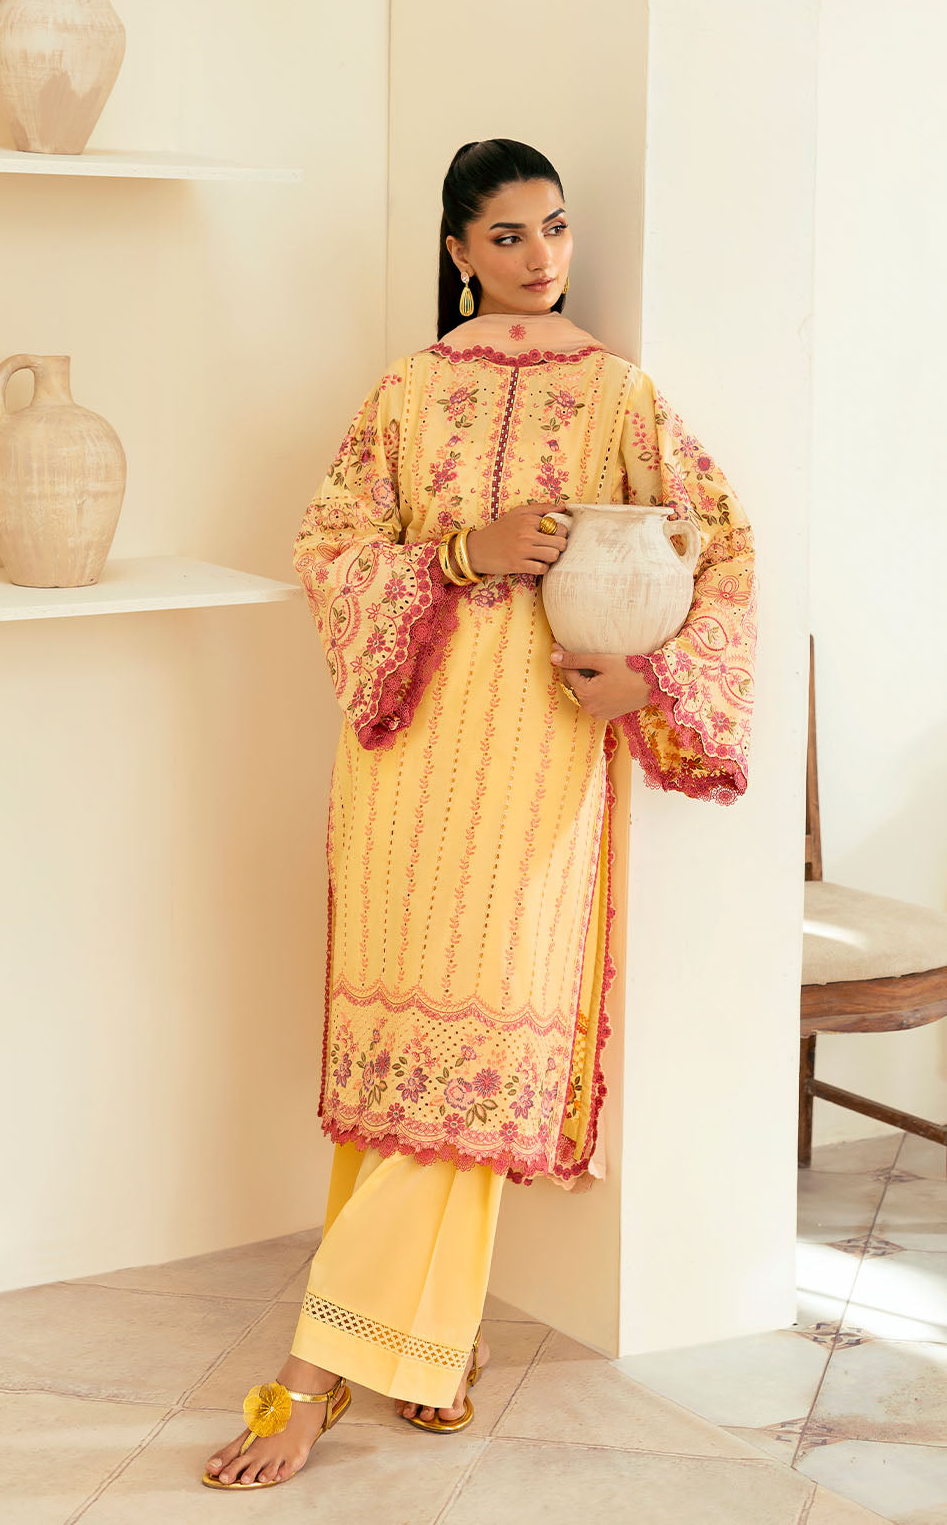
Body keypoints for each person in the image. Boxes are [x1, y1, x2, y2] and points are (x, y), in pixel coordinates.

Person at [201, 137, 757, 1491]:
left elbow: (720, 548)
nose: (540, 256)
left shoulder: (619, 395)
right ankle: (430, 1345)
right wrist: (467, 550)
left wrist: (646, 679)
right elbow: (330, 549)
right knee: (406, 1059)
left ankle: (316, 1373)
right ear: (458, 253)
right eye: (506, 236)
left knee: (479, 1054)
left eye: (554, 227)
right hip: (408, 765)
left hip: (541, 760)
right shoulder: (408, 393)